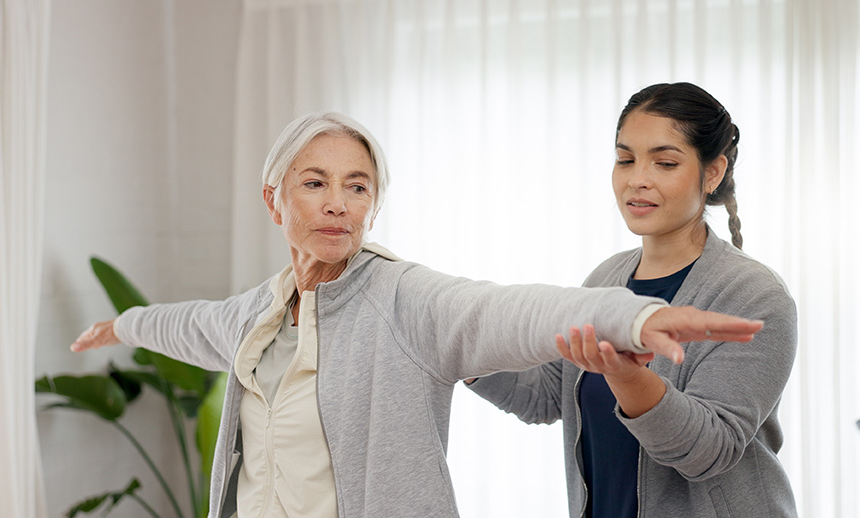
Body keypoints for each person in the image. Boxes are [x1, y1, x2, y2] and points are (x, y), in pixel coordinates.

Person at [71, 111, 764, 518]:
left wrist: (629, 317)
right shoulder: (255, 313)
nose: (338, 202)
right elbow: (187, 324)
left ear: (374, 203)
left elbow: (510, 308)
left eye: (357, 186)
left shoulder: (403, 298)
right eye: (314, 183)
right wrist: (124, 323)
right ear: (273, 200)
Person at [469, 83, 798, 517]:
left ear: (713, 172)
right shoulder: (606, 279)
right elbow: (547, 395)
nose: (636, 179)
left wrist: (625, 376)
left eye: (664, 162)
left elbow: (708, 451)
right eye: (625, 159)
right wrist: (457, 345)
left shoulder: (753, 296)